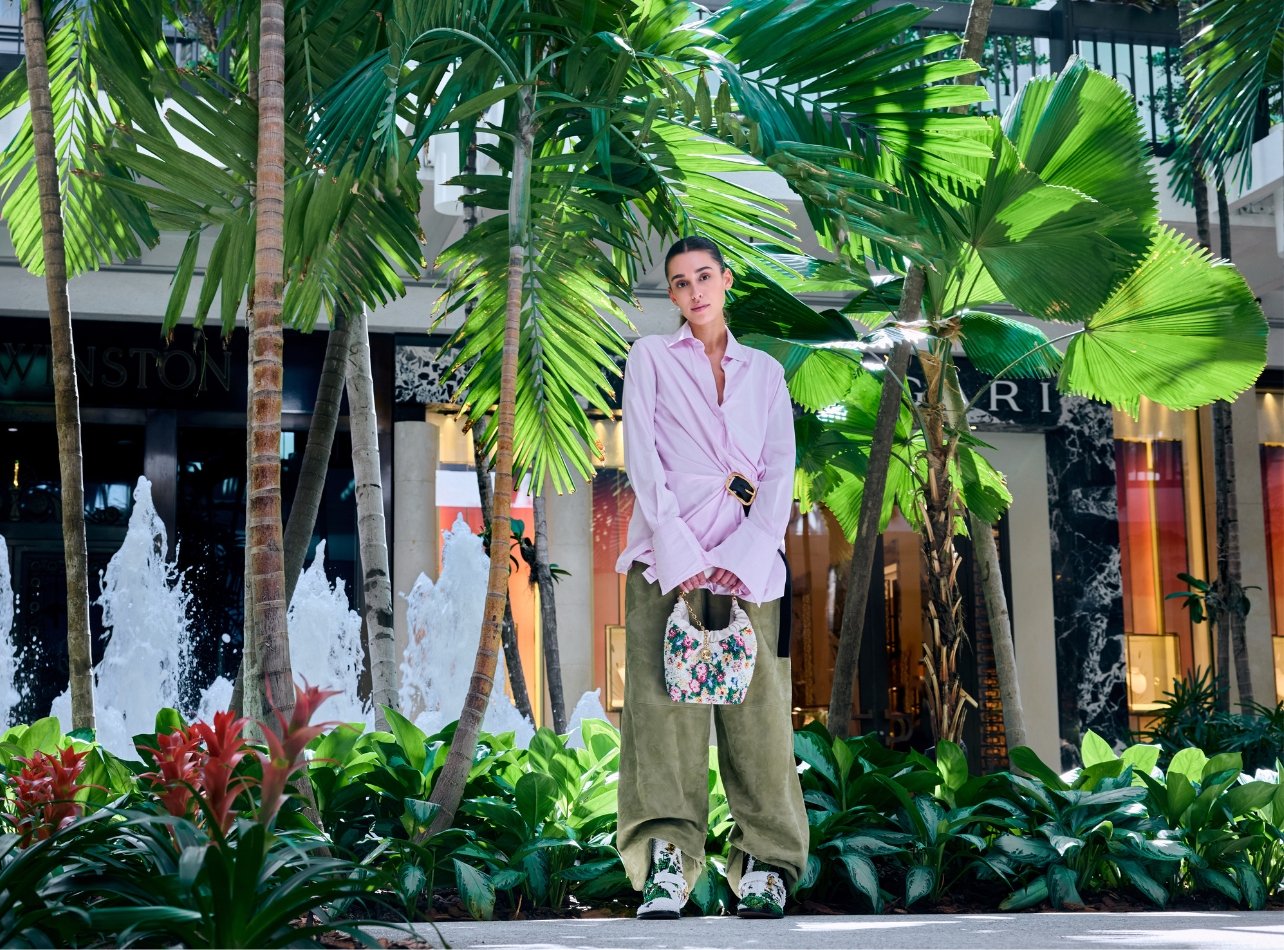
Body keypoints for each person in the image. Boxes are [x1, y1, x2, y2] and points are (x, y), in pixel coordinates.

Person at [614, 235, 808, 920]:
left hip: (749, 569)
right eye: (678, 282)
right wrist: (680, 547)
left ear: (726, 282)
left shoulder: (765, 373)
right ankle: (668, 860)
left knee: (758, 720)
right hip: (666, 563)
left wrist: (751, 548)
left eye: (703, 277)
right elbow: (642, 457)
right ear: (670, 295)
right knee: (663, 716)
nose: (693, 291)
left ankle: (766, 864)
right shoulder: (650, 359)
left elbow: (780, 471)